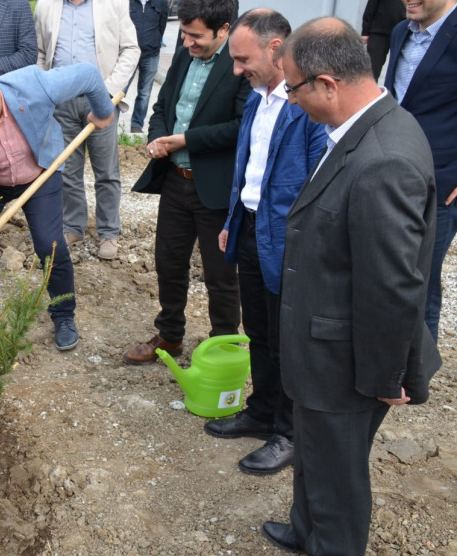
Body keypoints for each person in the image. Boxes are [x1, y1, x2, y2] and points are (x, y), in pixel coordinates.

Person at [261, 18, 440, 555]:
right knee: (315, 452)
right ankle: (303, 529)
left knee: (338, 477)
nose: (290, 101)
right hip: (324, 351)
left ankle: (328, 542)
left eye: (292, 88)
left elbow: (392, 285)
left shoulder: (383, 159)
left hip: (345, 365)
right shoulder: (364, 129)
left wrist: (385, 375)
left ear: (327, 84)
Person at [206, 9, 328, 476]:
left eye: (242, 59)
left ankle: (289, 431)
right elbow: (249, 168)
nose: (237, 70)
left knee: (287, 340)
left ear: (275, 48)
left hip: (288, 239)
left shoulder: (305, 108)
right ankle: (261, 411)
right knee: (258, 329)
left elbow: (315, 182)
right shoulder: (258, 100)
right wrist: (234, 220)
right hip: (253, 229)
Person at [0, 61, 115, 351]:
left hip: (40, 175)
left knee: (50, 245)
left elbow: (88, 75)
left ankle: (63, 315)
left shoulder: (34, 86)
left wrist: (103, 112)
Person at [125, 0, 249, 365]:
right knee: (169, 261)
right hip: (176, 181)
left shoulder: (238, 65)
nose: (187, 43)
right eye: (183, 33)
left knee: (220, 273)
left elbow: (240, 127)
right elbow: (162, 106)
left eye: (196, 36)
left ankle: (224, 345)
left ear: (223, 30)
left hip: (214, 186)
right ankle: (170, 335)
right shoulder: (184, 56)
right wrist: (158, 137)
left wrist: (185, 141)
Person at [35, 0, 139, 260]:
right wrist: (45, 88)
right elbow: (40, 53)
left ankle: (108, 232)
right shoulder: (46, 5)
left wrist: (108, 91)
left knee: (106, 172)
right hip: (61, 100)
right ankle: (73, 226)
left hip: (101, 98)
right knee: (68, 169)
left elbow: (130, 49)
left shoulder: (114, 3)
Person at [385, 0, 457, 343]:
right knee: (388, 269)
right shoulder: (402, 31)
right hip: (391, 170)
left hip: (439, 180)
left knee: (421, 279)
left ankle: (417, 370)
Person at [127, 0, 169, 134]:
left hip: (151, 54)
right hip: (129, 54)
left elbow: (162, 26)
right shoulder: (127, 2)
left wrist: (155, 43)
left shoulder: (161, 3)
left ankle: (136, 125)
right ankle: (110, 122)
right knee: (120, 90)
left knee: (144, 93)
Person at [361, 0, 405, 79]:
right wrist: (365, 31)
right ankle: (369, 90)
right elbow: (371, 7)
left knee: (399, 70)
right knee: (372, 69)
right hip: (378, 32)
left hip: (402, 32)